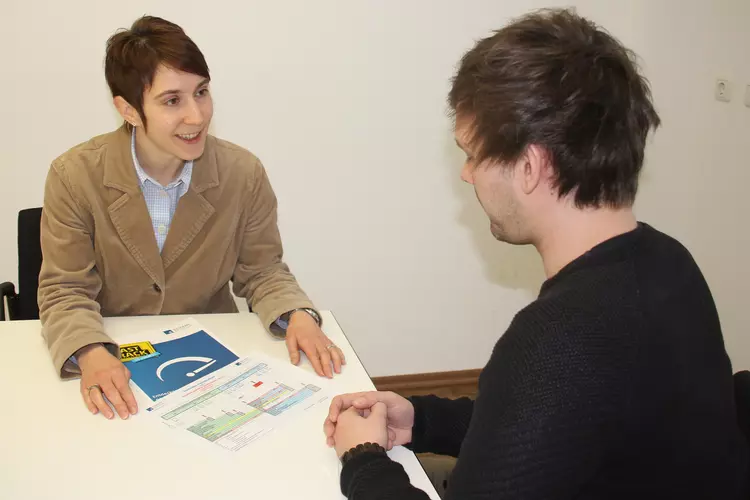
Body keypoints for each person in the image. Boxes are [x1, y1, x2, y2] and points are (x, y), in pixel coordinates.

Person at [323, 8, 749, 499]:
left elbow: (547, 399)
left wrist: (362, 459)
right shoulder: (670, 264)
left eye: (472, 155)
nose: (467, 175)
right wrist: (421, 419)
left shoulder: (556, 340)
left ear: (528, 167)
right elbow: (550, 429)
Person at [38, 16, 345, 421]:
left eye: (201, 92)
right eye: (172, 101)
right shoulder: (74, 175)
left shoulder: (242, 172)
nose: (197, 116)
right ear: (128, 109)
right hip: (114, 353)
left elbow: (263, 271)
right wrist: (89, 351)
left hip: (211, 359)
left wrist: (298, 315)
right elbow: (64, 290)